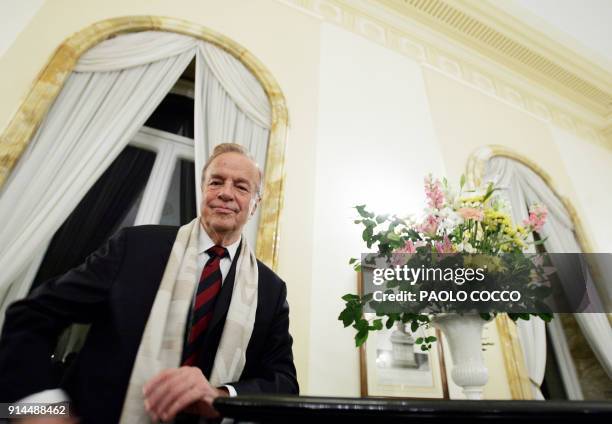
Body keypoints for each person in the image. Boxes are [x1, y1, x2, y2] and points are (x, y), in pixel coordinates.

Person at [0, 143, 298, 423]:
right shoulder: (135, 247)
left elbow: (283, 382)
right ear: (202, 191)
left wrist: (221, 397)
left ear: (255, 204)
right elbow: (32, 316)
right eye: (216, 182)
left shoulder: (270, 290)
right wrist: (39, 404)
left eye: (241, 186)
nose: (226, 193)